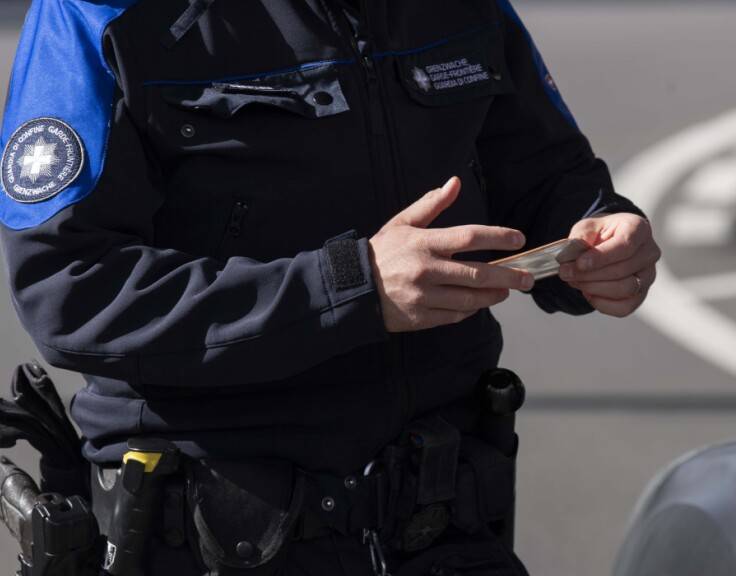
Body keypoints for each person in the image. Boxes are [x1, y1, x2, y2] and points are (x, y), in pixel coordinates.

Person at [0, 0, 661, 574]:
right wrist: (352, 286)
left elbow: (545, 175)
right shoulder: (101, 9)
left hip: (444, 527)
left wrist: (598, 232)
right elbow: (69, 288)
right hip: (209, 539)